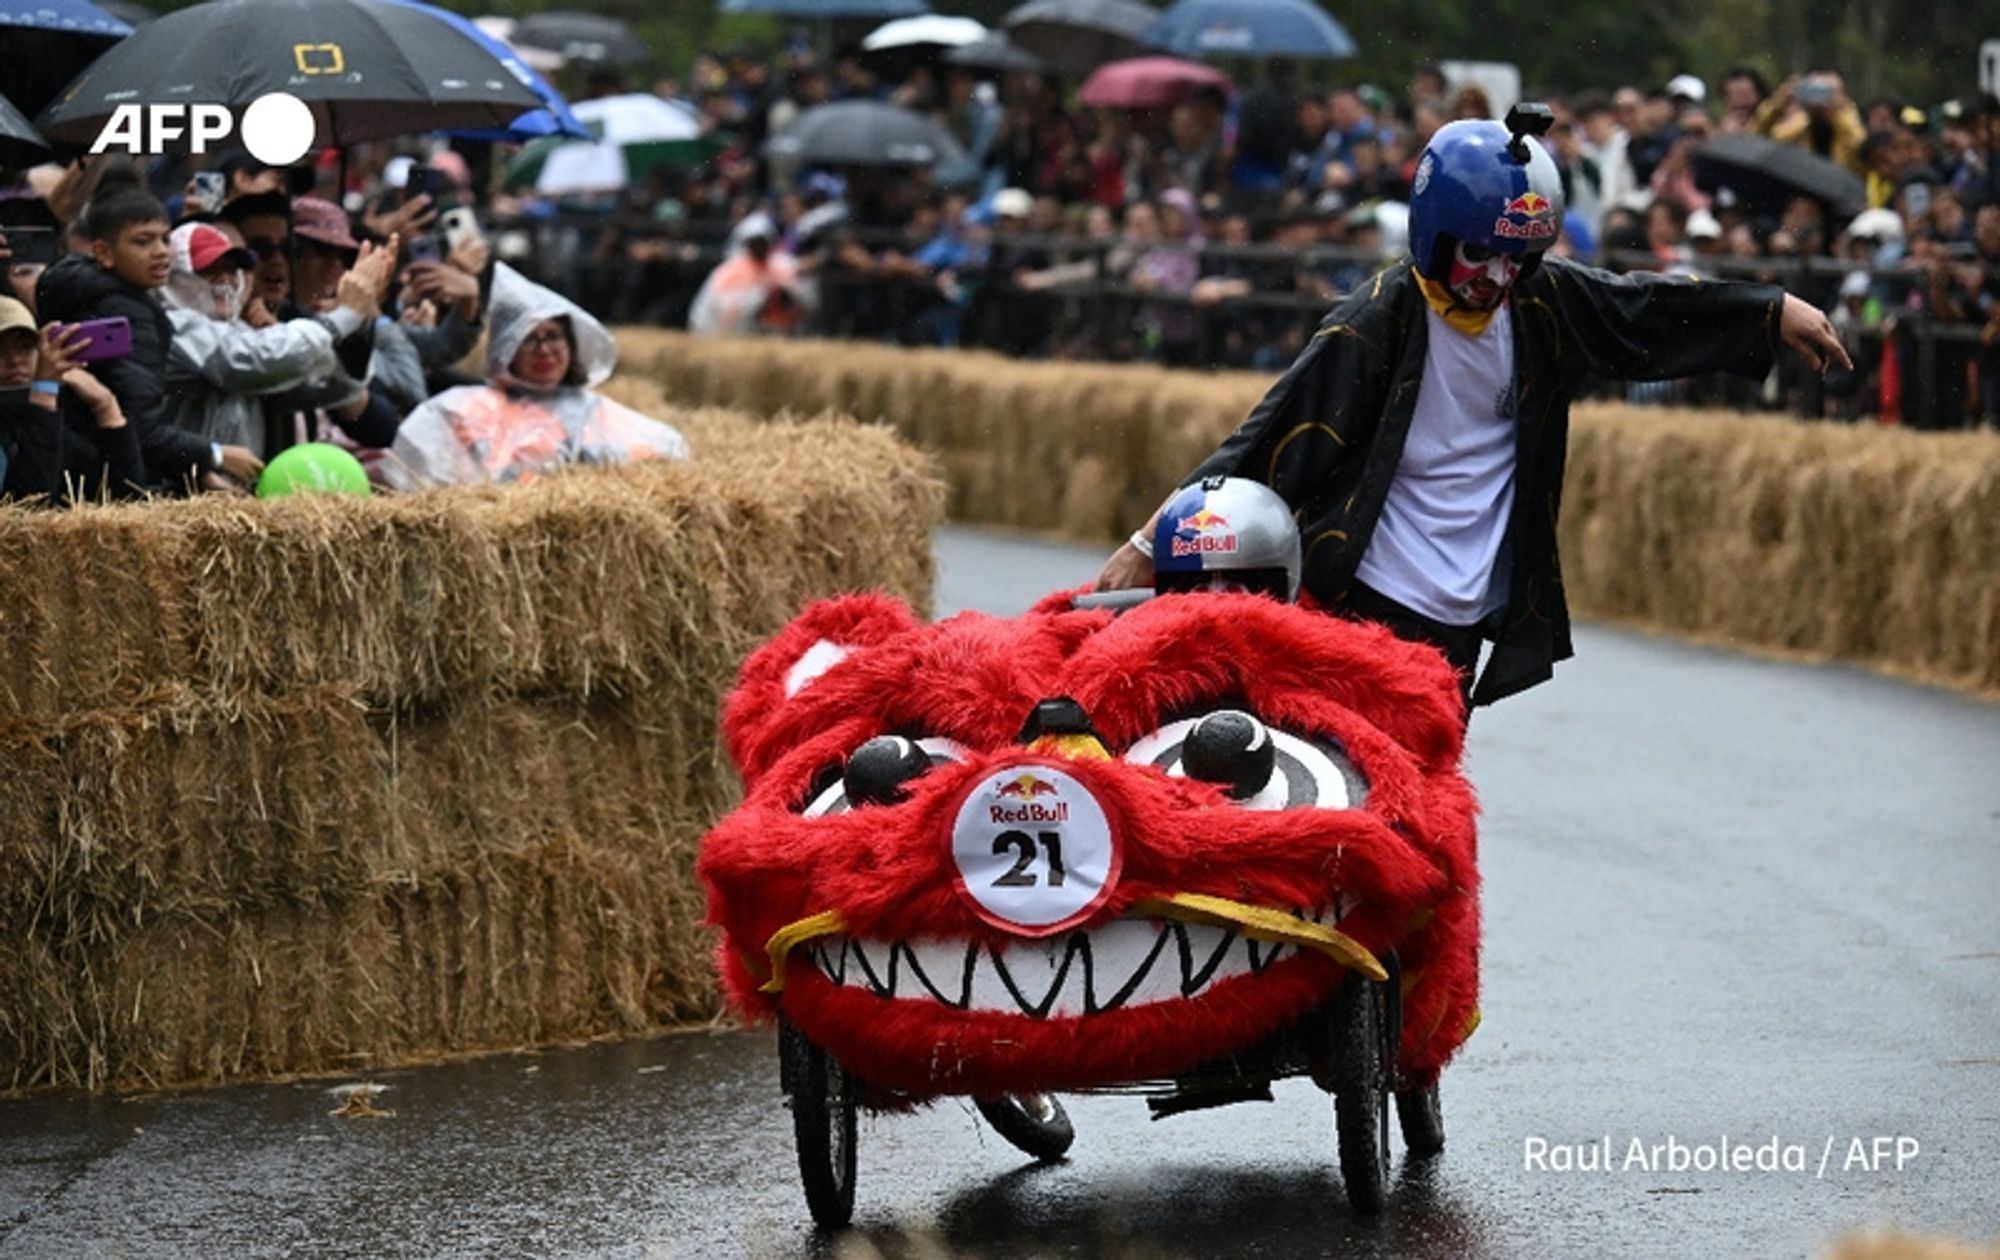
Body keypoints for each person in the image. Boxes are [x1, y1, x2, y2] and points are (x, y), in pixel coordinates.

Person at [1094, 108, 1852, 712]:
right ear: (1435, 235)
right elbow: (1272, 433)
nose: (1495, 276)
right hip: (1366, 595)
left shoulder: (1540, 300)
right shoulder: (1378, 318)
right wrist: (1150, 537)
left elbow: (1642, 310)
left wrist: (1771, 309)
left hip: (1463, 614)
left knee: (1428, 805)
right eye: (1478, 254)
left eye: (1514, 257)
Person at [35, 188, 264, 491]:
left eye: (165, 239)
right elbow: (138, 430)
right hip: (104, 483)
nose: (161, 251)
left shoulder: (80, 293)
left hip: (64, 466)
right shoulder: (130, 313)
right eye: (143, 241)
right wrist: (214, 455)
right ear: (103, 253)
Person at [384, 264, 689, 489]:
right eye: (529, 339)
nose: (544, 350)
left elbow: (666, 453)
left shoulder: (597, 412)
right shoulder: (463, 410)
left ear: (571, 345)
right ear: (506, 351)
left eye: (554, 337)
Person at [0, 296, 145, 502]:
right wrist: (44, 392)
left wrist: (107, 409)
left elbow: (128, 500)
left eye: (24, 346)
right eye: (0, 349)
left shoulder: (64, 413)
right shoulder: (44, 405)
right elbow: (28, 508)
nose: (14, 359)